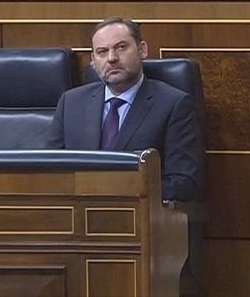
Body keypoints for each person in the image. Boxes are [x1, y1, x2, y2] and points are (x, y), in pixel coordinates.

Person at [47, 17, 204, 294]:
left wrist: (119, 197)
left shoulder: (173, 104)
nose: (112, 58)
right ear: (93, 60)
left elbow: (184, 181)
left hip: (138, 227)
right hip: (75, 229)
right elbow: (50, 170)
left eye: (121, 47)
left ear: (142, 50)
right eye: (102, 52)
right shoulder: (71, 102)